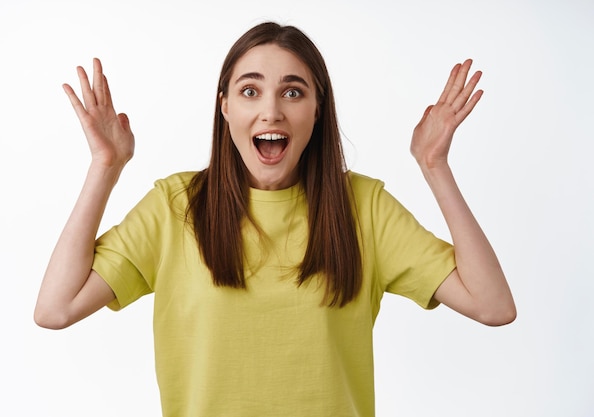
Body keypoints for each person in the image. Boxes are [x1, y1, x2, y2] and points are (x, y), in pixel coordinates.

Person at [35, 21, 516, 417]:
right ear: (224, 107)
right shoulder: (175, 205)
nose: (271, 111)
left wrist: (434, 165)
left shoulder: (364, 208)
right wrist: (106, 167)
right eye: (250, 91)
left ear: (317, 109)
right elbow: (56, 309)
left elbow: (492, 306)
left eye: (292, 92)